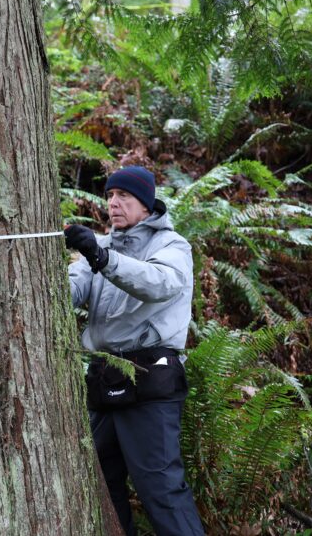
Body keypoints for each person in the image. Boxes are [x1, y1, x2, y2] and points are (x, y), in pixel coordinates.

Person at [64, 166, 204, 536]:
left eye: (124, 196)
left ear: (146, 205)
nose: (114, 203)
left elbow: (157, 284)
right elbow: (72, 290)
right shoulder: (103, 246)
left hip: (149, 383)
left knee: (160, 490)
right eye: (110, 196)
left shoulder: (172, 247)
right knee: (98, 485)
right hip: (105, 378)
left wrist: (101, 257)